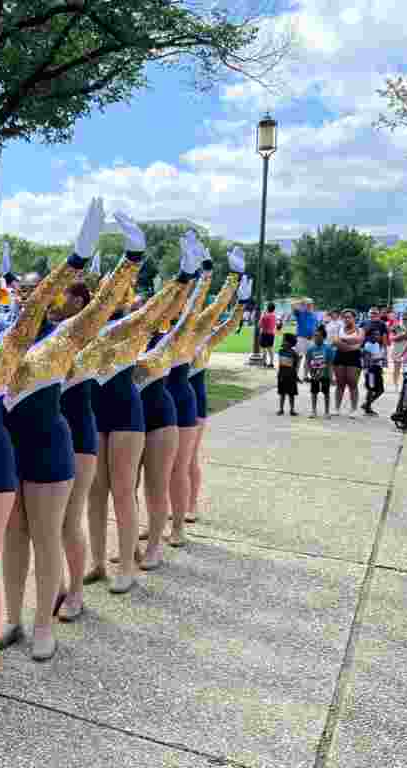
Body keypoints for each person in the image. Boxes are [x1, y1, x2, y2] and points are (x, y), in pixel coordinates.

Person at [0, 210, 144, 660]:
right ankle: (16, 615)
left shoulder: (71, 336)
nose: (28, 298)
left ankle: (67, 598)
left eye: (36, 292)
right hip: (12, 446)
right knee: (15, 536)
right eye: (21, 291)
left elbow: (108, 306)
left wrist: (132, 259)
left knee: (62, 524)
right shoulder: (7, 336)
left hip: (70, 436)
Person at [73, 242, 199, 594]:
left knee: (124, 490)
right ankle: (98, 562)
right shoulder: (81, 328)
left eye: (111, 294)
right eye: (100, 293)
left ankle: (129, 563)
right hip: (95, 414)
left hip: (128, 414)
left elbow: (168, 306)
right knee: (95, 494)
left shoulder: (134, 326)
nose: (105, 298)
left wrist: (187, 277)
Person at [136, 243, 245, 556]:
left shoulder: (187, 333)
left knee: (178, 468)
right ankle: (153, 523)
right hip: (146, 407)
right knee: (151, 475)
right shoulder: (142, 333)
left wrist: (220, 275)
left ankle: (178, 526)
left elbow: (209, 309)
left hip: (180, 404)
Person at [184, 283, 250, 523]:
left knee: (189, 457)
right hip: (171, 404)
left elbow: (230, 325)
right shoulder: (171, 338)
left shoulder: (205, 339)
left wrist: (240, 304)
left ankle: (191, 505)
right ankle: (174, 504)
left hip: (195, 404)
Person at [332, 309, 365, 418]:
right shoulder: (339, 329)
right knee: (340, 383)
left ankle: (354, 409)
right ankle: (336, 408)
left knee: (352, 383)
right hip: (340, 357)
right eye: (345, 317)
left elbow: (359, 340)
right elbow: (336, 342)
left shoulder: (360, 330)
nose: (347, 319)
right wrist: (351, 345)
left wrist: (343, 342)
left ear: (354, 318)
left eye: (349, 317)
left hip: (354, 358)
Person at [305, 325, 334, 419]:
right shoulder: (310, 349)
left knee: (326, 393)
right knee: (314, 393)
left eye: (318, 336)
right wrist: (309, 373)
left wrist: (331, 376)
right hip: (314, 375)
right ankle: (313, 411)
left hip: (325, 374)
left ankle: (327, 411)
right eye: (315, 336)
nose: (316, 338)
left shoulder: (328, 349)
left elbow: (330, 364)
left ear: (323, 337)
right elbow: (307, 362)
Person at [361, 330, 386, 415]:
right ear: (370, 336)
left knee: (380, 390)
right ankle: (368, 408)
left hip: (377, 369)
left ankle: (367, 404)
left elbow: (376, 357)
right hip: (370, 370)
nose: (377, 336)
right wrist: (381, 358)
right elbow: (368, 360)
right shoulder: (367, 345)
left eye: (378, 335)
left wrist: (380, 365)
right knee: (371, 389)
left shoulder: (377, 344)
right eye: (375, 335)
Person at [389, 312, 407, 391]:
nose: (406, 320)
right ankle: (395, 385)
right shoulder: (396, 326)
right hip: (398, 349)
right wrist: (403, 335)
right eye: (404, 318)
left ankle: (406, 385)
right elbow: (391, 338)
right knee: (396, 368)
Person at [276, 332, 301, 416]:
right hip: (282, 375)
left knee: (291, 394)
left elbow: (296, 365)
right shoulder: (281, 351)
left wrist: (296, 376)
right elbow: (280, 365)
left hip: (291, 376)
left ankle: (292, 409)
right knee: (282, 393)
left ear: (290, 343)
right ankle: (281, 409)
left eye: (284, 340)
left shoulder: (294, 354)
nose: (282, 342)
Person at [292, 298, 318, 371]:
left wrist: (314, 336)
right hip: (301, 338)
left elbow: (316, 327)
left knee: (309, 358)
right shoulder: (300, 313)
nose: (309, 306)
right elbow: (293, 305)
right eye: (307, 304)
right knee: (298, 357)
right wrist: (301, 301)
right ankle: (295, 375)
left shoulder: (315, 315)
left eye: (310, 304)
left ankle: (306, 376)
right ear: (304, 305)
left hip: (311, 339)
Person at [258, 302, 277, 367]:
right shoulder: (274, 316)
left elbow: (259, 325)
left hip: (264, 333)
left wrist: (262, 315)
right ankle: (271, 363)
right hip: (271, 334)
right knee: (270, 348)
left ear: (267, 308)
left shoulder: (265, 316)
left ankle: (264, 362)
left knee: (264, 349)